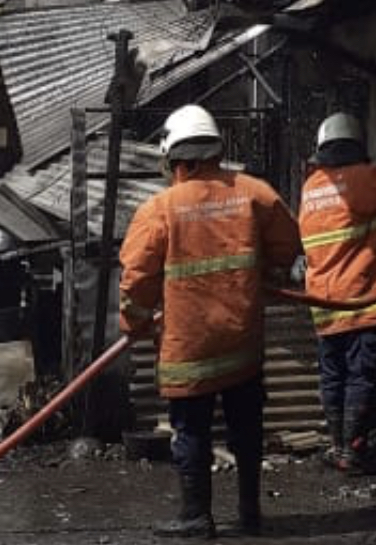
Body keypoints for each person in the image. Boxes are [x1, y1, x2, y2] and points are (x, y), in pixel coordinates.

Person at [119, 104, 301, 538]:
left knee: (192, 432)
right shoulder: (255, 193)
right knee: (247, 429)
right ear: (215, 151)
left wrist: (135, 324)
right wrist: (267, 274)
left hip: (190, 348)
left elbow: (136, 280)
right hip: (242, 343)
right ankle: (250, 513)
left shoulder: (159, 209)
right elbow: (287, 245)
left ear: (175, 158)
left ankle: (197, 517)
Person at [298, 113, 376, 473]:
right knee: (361, 377)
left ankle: (339, 446)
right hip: (361, 301)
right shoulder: (363, 179)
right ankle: (353, 451)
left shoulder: (312, 186)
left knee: (333, 377)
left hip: (324, 306)